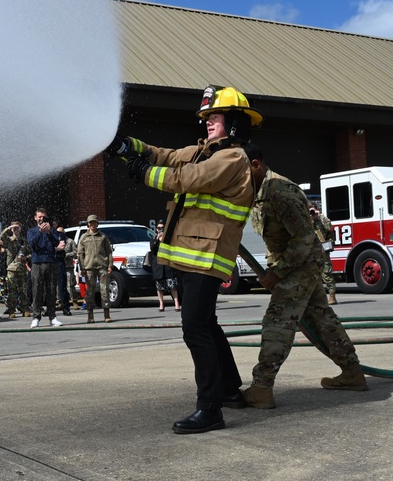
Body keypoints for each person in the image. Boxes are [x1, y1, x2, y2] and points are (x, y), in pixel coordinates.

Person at [108, 84, 261, 434]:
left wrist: (142, 172)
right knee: (207, 325)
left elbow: (185, 179)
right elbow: (164, 155)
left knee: (195, 329)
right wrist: (126, 147)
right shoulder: (203, 151)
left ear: (235, 123)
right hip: (194, 256)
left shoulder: (231, 158)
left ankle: (210, 410)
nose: (207, 123)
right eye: (206, 117)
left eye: (215, 117)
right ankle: (228, 391)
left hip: (208, 259)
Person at [240, 143, 367, 409]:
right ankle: (352, 373)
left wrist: (278, 272)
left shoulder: (280, 191)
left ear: (256, 165)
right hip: (294, 263)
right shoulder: (255, 191)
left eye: (239, 169)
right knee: (322, 318)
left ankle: (261, 388)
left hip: (300, 264)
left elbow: (305, 239)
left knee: (277, 321)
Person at [26, 207, 64, 328]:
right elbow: (32, 244)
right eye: (39, 216)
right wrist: (40, 232)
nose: (41, 218)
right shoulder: (31, 231)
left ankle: (52, 317)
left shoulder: (52, 230)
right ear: (35, 218)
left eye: (43, 216)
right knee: (37, 291)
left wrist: (48, 232)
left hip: (51, 263)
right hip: (37, 263)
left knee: (51, 290)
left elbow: (57, 244)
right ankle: (36, 317)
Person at [76, 214, 114, 323]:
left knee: (104, 290)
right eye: (90, 223)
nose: (92, 224)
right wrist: (82, 268)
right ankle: (90, 316)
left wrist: (110, 265)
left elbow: (109, 252)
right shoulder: (84, 237)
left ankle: (107, 315)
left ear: (97, 223)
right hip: (89, 268)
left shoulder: (102, 236)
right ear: (88, 224)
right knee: (90, 292)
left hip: (102, 266)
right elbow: (80, 254)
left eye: (94, 222)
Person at [0, 222, 31, 319]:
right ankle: (11, 310)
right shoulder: (9, 240)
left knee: (23, 291)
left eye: (18, 228)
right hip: (12, 268)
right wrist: (9, 228)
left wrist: (25, 257)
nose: (16, 230)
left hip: (22, 268)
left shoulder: (24, 241)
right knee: (12, 291)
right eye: (15, 228)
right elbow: (1, 236)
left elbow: (30, 253)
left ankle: (25, 309)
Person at [149, 222, 180, 312]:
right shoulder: (153, 239)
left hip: (167, 265)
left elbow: (172, 249)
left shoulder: (169, 239)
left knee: (172, 285)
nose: (160, 230)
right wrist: (158, 240)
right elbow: (153, 250)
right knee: (159, 287)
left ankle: (176, 304)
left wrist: (164, 240)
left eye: (162, 228)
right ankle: (161, 304)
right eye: (159, 228)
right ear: (156, 229)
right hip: (158, 266)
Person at [310, 202, 337, 305]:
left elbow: (329, 227)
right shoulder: (307, 221)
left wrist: (320, 216)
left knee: (326, 273)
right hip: (311, 252)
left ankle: (332, 296)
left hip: (322, 251)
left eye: (313, 210)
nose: (311, 213)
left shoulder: (321, 219)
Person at [52, 220, 72, 316]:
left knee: (62, 286)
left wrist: (51, 247)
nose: (52, 225)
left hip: (59, 261)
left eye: (54, 223)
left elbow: (61, 246)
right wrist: (54, 247)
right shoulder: (45, 234)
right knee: (50, 287)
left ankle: (66, 308)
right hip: (49, 261)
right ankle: (50, 308)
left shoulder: (60, 234)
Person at [60, 226, 81, 310]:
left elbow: (76, 252)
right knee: (59, 286)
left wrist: (67, 255)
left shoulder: (70, 241)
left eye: (61, 232)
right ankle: (60, 302)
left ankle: (74, 301)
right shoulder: (55, 241)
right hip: (59, 267)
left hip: (68, 266)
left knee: (70, 285)